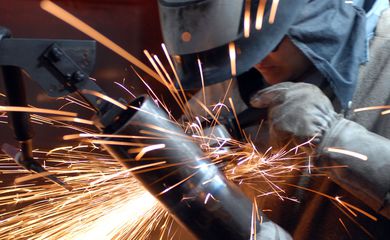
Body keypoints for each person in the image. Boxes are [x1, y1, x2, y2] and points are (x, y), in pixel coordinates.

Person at [158, 0, 390, 239]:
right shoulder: (233, 78)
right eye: (240, 42)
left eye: (273, 40)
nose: (256, 58)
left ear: (315, 18)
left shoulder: (384, 63)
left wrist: (335, 137)